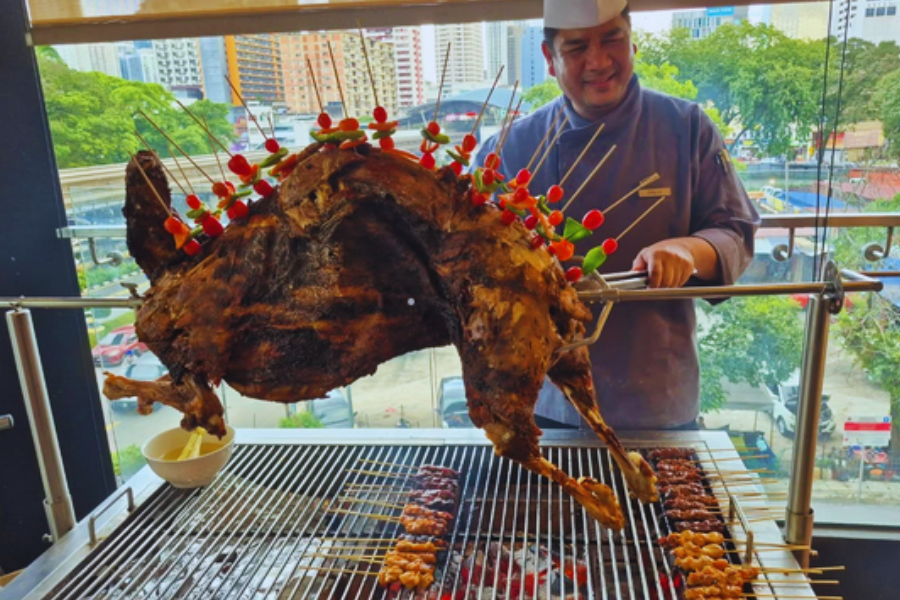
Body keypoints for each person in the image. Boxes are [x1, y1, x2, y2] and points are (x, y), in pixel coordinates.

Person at [473, 0, 759, 431]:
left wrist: (688, 249)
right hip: (546, 398)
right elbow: (471, 259)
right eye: (576, 48)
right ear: (550, 60)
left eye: (612, 40)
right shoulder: (508, 149)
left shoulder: (687, 128)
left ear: (632, 43)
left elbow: (735, 232)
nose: (599, 61)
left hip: (657, 397)